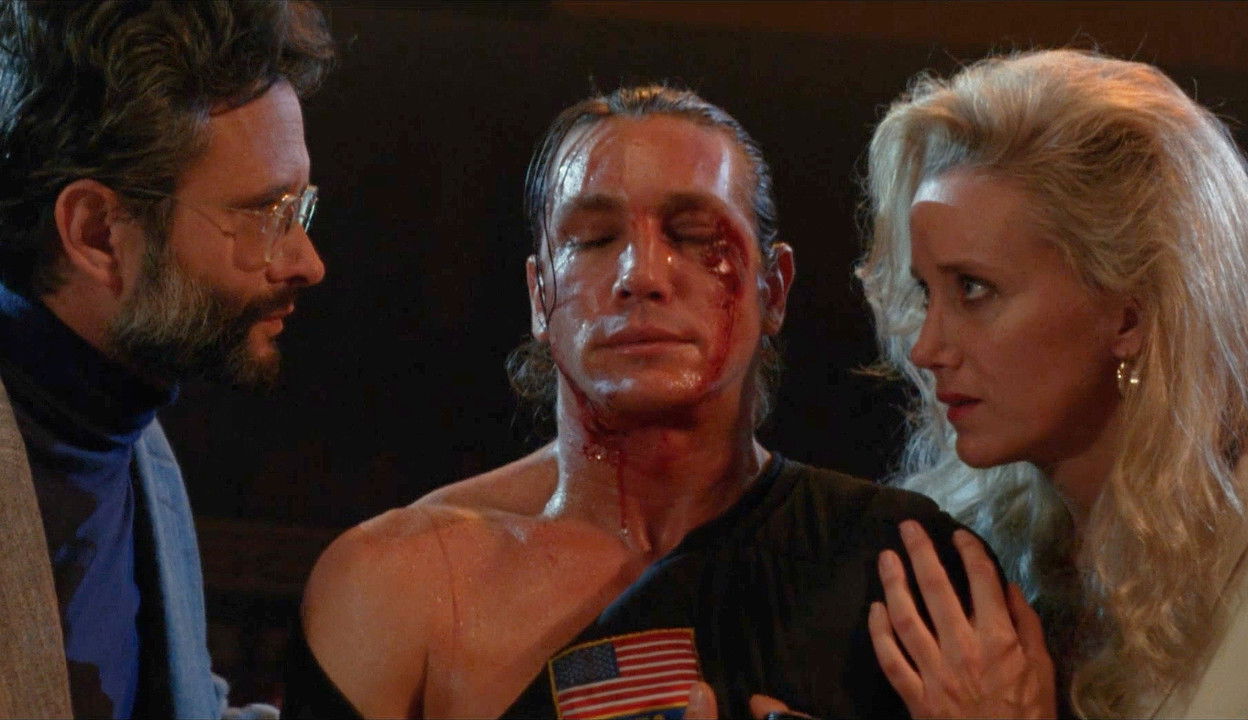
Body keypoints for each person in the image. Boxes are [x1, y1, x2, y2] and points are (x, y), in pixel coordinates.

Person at [292, 84, 992, 719]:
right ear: (539, 296)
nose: (641, 274)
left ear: (774, 289)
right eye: (594, 240)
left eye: (694, 237)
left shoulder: (901, 567)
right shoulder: (396, 584)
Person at [856, 48, 1248, 718]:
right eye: (926, 293)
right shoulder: (958, 550)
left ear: (1130, 315)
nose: (926, 348)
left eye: (973, 289)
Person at [0, 2, 333, 717]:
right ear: (97, 233)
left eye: (298, 207)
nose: (307, 261)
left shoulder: (133, 436)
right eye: (265, 213)